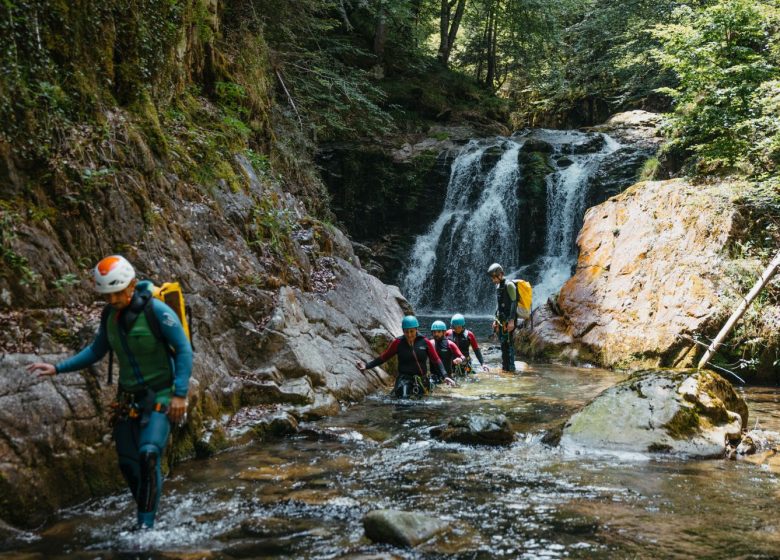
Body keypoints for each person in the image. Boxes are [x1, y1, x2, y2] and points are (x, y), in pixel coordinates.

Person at [26, 255, 193, 531]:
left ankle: (145, 529)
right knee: (129, 464)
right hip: (128, 400)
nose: (114, 299)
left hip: (162, 395)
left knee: (149, 454)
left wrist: (180, 394)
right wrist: (57, 368)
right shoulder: (110, 317)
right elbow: (96, 350)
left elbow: (184, 350)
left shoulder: (159, 312)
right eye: (108, 295)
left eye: (118, 293)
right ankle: (150, 510)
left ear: (132, 285)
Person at [356, 315, 447, 398]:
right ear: (403, 331)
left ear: (416, 329)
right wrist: (367, 366)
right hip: (404, 379)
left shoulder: (425, 342)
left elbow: (436, 360)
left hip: (421, 379)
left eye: (412, 331)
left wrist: (445, 376)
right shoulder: (398, 343)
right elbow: (384, 357)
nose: (409, 334)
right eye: (406, 332)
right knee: (404, 402)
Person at [488, 263, 517, 373]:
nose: (493, 280)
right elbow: (498, 305)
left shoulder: (509, 285)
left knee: (509, 344)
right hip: (501, 320)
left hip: (509, 320)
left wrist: (511, 321)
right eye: (492, 278)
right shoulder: (498, 286)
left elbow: (514, 303)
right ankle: (505, 368)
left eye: (494, 277)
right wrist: (495, 320)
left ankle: (511, 369)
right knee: (503, 344)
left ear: (501, 274)